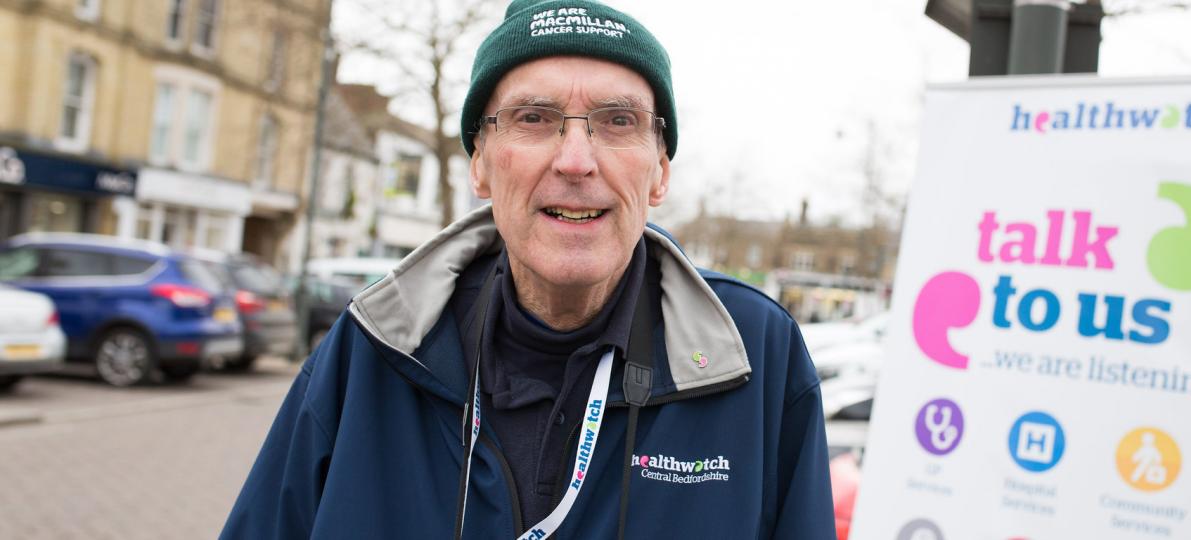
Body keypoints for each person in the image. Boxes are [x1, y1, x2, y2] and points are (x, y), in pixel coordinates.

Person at [220, 0, 836, 538]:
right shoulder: (373, 348)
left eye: (618, 122)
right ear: (481, 163)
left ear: (661, 170)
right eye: (534, 118)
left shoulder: (759, 355)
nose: (575, 160)